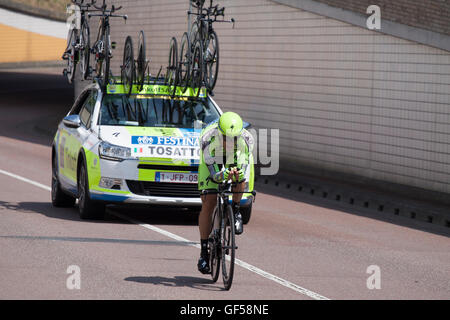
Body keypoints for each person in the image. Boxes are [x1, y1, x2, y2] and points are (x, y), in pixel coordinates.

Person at [197, 112, 254, 274]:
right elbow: (213, 173)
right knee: (209, 201)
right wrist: (220, 176)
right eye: (227, 138)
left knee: (240, 179)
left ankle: (235, 212)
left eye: (234, 139)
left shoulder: (247, 140)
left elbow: (243, 166)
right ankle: (203, 253)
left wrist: (237, 175)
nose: (230, 142)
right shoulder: (207, 138)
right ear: (219, 132)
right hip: (213, 157)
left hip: (235, 157)